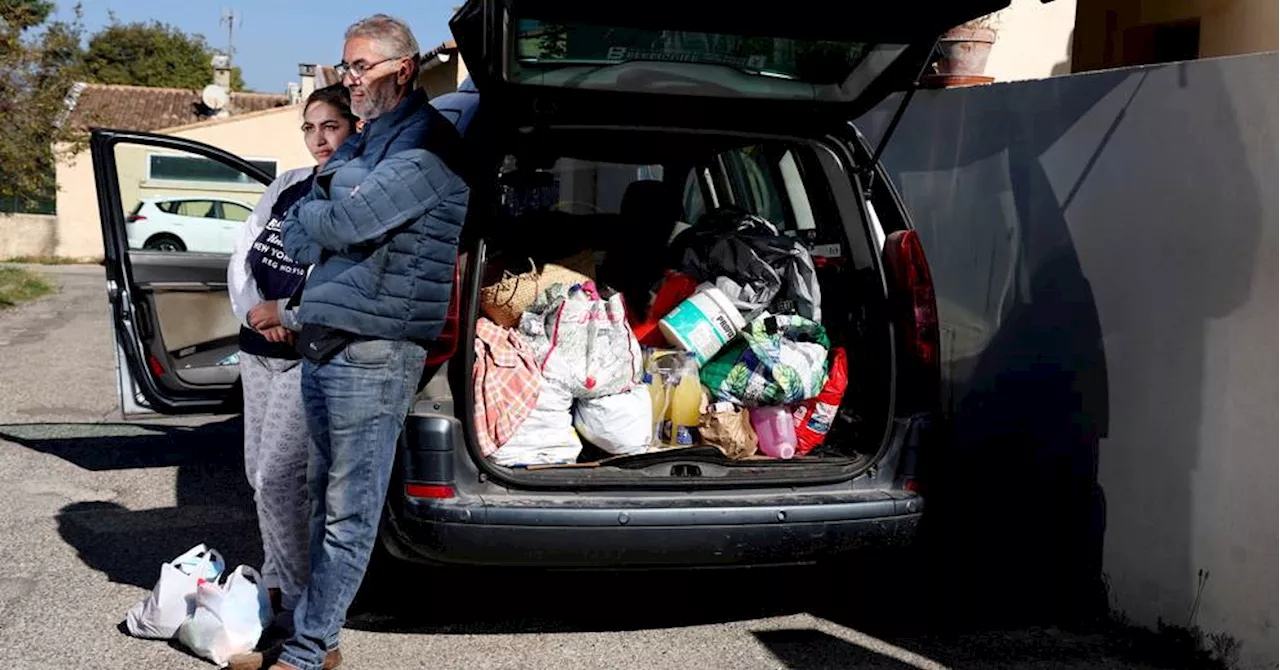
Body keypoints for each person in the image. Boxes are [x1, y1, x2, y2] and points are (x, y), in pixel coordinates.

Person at [266, 14, 469, 670]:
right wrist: (326, 215)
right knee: (321, 501)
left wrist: (327, 217)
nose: (348, 80)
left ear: (402, 69)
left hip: (374, 349)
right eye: (346, 67)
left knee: (348, 514)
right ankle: (313, 637)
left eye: (360, 68)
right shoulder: (363, 140)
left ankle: (307, 651)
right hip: (328, 341)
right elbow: (305, 215)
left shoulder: (429, 145)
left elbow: (349, 218)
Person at [225, 83, 358, 667]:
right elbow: (245, 251)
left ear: (356, 127)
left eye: (330, 125)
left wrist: (289, 317)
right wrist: (256, 311)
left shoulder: (356, 190)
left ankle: (310, 617)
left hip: (306, 356)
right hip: (258, 348)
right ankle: (277, 587)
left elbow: (342, 278)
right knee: (259, 474)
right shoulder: (287, 186)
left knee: (282, 479)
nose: (318, 138)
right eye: (309, 127)